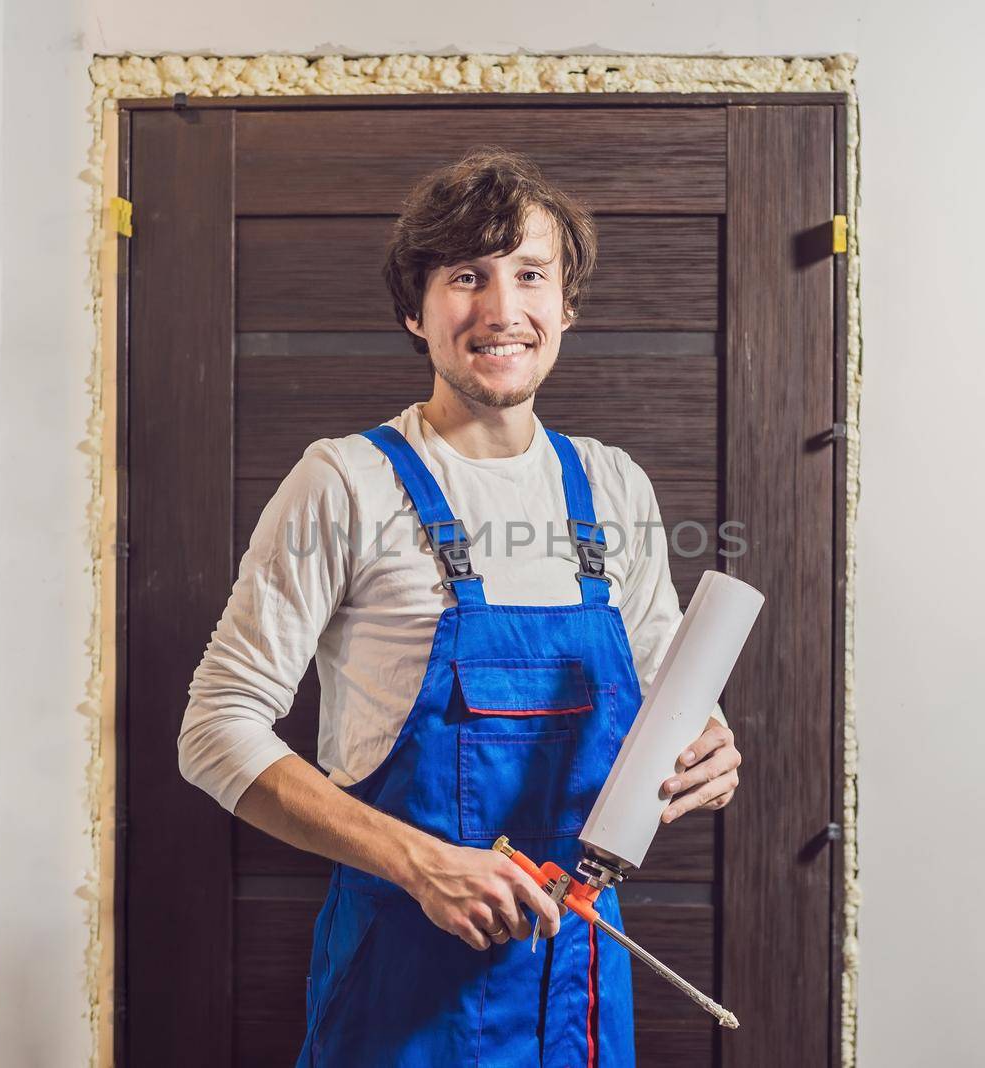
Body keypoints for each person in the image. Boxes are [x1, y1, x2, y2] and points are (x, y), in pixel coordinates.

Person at [178, 147, 743, 1067]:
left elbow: (665, 688)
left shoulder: (611, 485)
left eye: (530, 274)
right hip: (404, 987)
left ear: (567, 305)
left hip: (581, 989)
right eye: (465, 277)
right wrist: (418, 861)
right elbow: (214, 729)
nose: (501, 309)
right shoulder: (347, 483)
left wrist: (706, 746)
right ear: (416, 308)